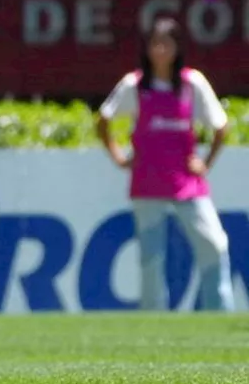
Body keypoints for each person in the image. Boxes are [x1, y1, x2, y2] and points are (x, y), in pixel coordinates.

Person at [95, 17, 234, 312]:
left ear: (177, 48)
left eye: (166, 44)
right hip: (147, 182)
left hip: (186, 183)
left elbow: (220, 126)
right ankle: (154, 319)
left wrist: (205, 162)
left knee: (214, 243)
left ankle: (219, 311)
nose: (160, 51)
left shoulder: (190, 84)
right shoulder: (135, 85)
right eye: (155, 44)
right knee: (151, 258)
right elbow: (104, 119)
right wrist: (119, 156)